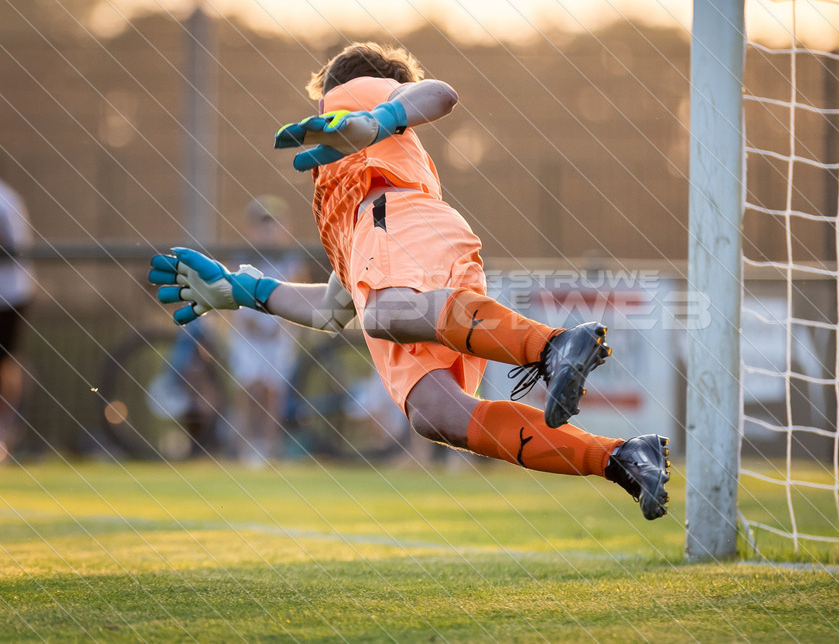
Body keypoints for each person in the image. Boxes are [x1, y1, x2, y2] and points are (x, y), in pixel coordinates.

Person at [149, 42, 670, 520]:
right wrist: (241, 292)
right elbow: (334, 309)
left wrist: (375, 116)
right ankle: (620, 458)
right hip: (409, 246)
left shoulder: (352, 92)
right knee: (434, 415)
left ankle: (551, 345)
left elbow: (439, 94)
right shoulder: (350, 204)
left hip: (400, 223)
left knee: (386, 312)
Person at [226, 195, 306, 466]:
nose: (268, 230)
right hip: (248, 335)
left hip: (279, 335)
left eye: (274, 223)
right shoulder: (240, 258)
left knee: (274, 392)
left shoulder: (292, 260)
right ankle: (244, 447)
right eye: (262, 224)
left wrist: (282, 325)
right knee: (248, 388)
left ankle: (271, 449)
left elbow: (299, 296)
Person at [0, 178, 35, 462]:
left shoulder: (5, 198)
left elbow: (16, 247)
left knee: (6, 363)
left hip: (9, 295)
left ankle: (6, 433)